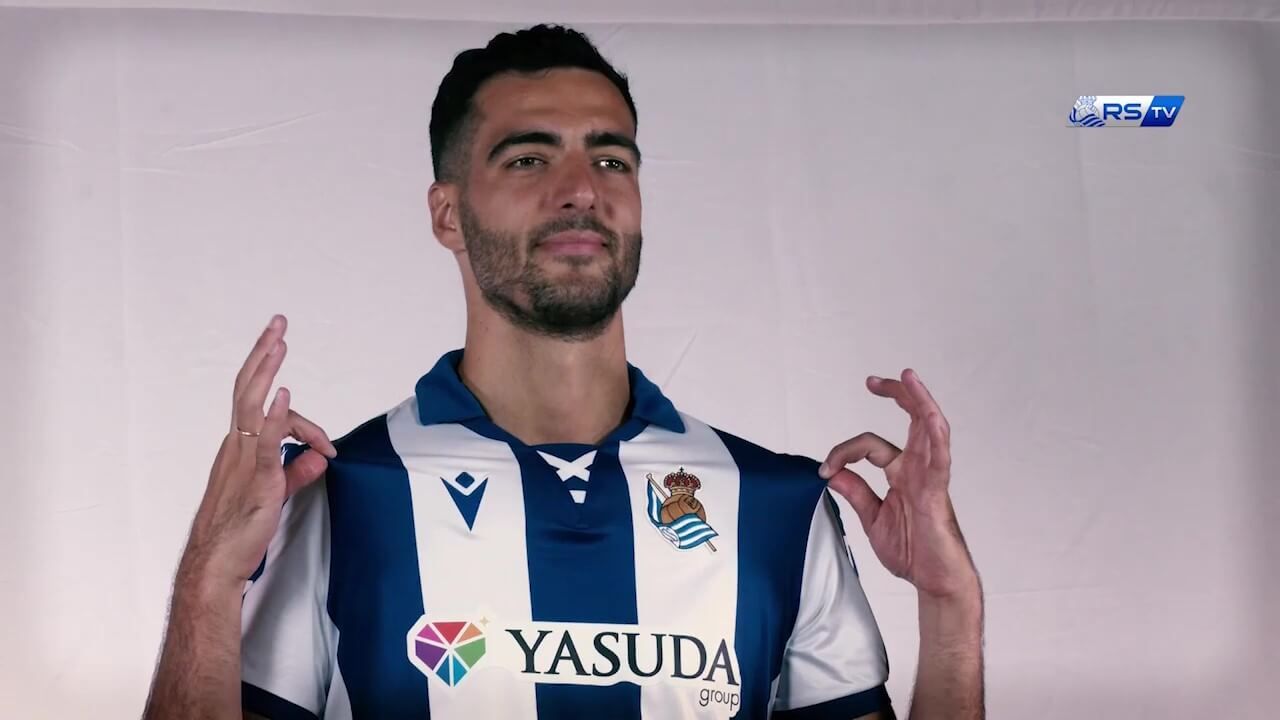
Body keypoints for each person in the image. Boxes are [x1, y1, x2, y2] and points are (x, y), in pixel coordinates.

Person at [143, 24, 983, 720]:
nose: (582, 188)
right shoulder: (339, 497)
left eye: (612, 160)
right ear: (448, 215)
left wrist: (950, 613)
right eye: (529, 159)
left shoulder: (776, 505)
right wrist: (209, 582)